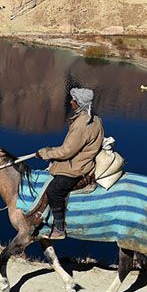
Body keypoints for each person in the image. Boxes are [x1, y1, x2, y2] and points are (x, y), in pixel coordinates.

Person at [34, 87, 105, 239]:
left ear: (79, 104)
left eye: (73, 100)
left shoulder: (81, 125)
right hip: (84, 162)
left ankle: (59, 229)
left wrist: (45, 154)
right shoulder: (95, 119)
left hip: (77, 168)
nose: (70, 101)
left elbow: (67, 151)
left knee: (54, 191)